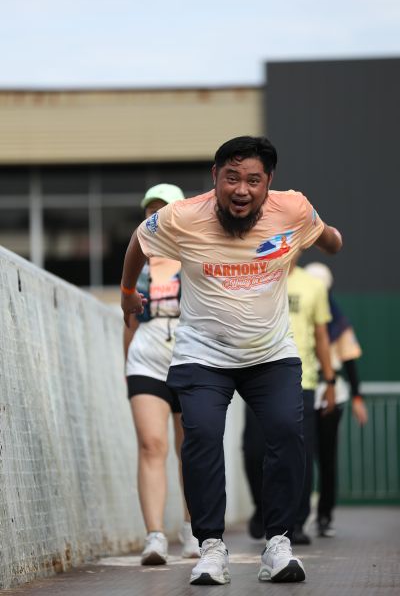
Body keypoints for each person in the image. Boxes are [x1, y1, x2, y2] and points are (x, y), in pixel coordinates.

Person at [121, 136, 342, 585]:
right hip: (202, 354)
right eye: (232, 178)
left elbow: (327, 237)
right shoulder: (182, 216)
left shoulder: (293, 209)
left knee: (286, 432)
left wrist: (330, 239)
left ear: (269, 182)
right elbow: (138, 241)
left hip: (270, 353)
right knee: (201, 436)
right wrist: (127, 292)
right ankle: (210, 547)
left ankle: (277, 542)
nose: (242, 190)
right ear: (215, 177)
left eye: (253, 180)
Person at [123, 183, 200, 565]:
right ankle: (154, 536)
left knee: (192, 447)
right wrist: (125, 366)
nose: (156, 218)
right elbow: (129, 320)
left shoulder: (198, 256)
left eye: (163, 210)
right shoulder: (137, 263)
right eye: (150, 211)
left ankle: (194, 529)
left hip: (189, 357)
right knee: (152, 445)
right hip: (147, 359)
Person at [243, 252, 336, 545]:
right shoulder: (257, 278)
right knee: (253, 450)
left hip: (302, 379)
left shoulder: (313, 286)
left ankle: (295, 521)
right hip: (258, 376)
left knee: (298, 453)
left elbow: (321, 335)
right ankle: (262, 507)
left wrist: (330, 381)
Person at [304, 262, 368, 538]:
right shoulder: (298, 315)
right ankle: (297, 515)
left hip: (333, 393)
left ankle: (324, 515)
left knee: (327, 457)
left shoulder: (339, 323)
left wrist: (357, 398)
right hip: (303, 389)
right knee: (300, 455)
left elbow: (350, 361)